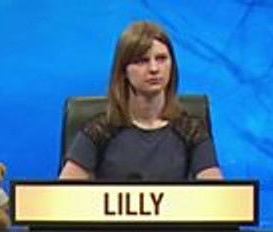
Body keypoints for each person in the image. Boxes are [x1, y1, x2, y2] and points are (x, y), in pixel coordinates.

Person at [59, 21, 222, 181]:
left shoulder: (192, 132)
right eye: (142, 61)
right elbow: (63, 194)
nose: (154, 69)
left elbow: (218, 195)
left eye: (161, 58)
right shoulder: (98, 132)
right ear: (123, 70)